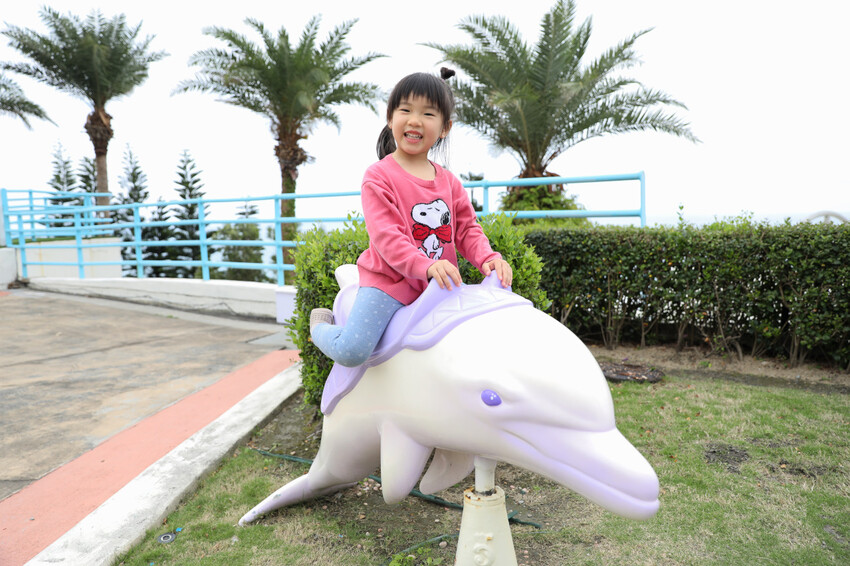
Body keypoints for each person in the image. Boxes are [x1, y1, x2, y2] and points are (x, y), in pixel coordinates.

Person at [310, 67, 512, 367]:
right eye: (405, 109)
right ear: (391, 118)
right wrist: (427, 265)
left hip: (439, 286)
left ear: (445, 128)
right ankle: (319, 329)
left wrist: (488, 258)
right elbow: (387, 238)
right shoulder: (378, 177)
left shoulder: (450, 182)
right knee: (353, 351)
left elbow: (468, 229)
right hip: (391, 284)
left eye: (428, 114)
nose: (415, 119)